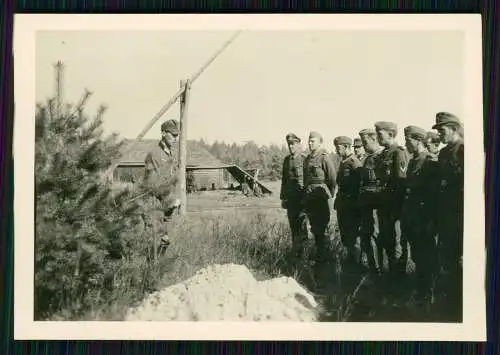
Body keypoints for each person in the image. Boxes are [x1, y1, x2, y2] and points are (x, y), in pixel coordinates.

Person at [401, 125, 440, 303]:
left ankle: (429, 293)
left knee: (427, 256)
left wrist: (431, 220)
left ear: (417, 140)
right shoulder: (412, 161)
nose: (405, 143)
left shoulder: (429, 161)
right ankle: (421, 289)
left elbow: (434, 195)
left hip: (424, 218)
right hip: (412, 217)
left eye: (408, 140)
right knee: (417, 255)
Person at [432, 111, 464, 320]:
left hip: (460, 214)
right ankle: (449, 302)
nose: (440, 134)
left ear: (453, 129)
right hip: (444, 215)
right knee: (447, 258)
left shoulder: (465, 150)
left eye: (442, 130)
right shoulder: (443, 153)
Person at [141, 119, 181, 257]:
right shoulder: (155, 154)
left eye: (177, 136)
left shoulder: (169, 154)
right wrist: (171, 200)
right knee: (154, 243)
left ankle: (156, 271)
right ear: (163, 133)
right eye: (173, 135)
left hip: (167, 207)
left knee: (164, 243)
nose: (176, 138)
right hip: (154, 205)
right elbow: (154, 184)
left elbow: (171, 180)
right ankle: (149, 274)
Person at [374, 121, 409, 278]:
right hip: (383, 205)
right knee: (386, 240)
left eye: (380, 134)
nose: (377, 137)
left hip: (394, 207)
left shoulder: (398, 152)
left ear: (390, 134)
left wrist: (398, 209)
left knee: (396, 243)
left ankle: (398, 278)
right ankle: (390, 276)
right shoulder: (383, 154)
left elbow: (401, 182)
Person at [303, 131, 337, 263]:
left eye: (313, 141)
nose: (310, 143)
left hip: (321, 197)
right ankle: (319, 256)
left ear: (320, 142)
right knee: (314, 228)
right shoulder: (307, 159)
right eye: (309, 141)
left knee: (323, 228)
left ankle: (326, 257)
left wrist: (329, 195)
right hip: (310, 198)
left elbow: (332, 179)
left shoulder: (324, 157)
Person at [333, 136, 363, 271]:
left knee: (353, 237)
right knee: (346, 236)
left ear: (346, 147)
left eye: (338, 148)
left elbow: (360, 183)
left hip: (351, 206)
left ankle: (356, 265)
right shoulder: (343, 162)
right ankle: (350, 263)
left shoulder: (354, 162)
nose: (336, 150)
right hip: (343, 205)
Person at [358, 129, 384, 275]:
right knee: (366, 236)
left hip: (375, 205)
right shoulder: (368, 158)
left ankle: (379, 270)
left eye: (365, 142)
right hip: (366, 205)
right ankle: (372, 268)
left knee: (375, 236)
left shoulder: (381, 157)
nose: (364, 145)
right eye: (362, 142)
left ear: (374, 139)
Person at [280, 133, 308, 260]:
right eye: (289, 144)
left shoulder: (304, 159)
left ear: (298, 144)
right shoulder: (286, 160)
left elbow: (308, 179)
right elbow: (284, 180)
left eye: (293, 144)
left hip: (302, 200)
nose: (291, 146)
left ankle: (304, 254)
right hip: (291, 200)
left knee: (302, 228)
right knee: (293, 227)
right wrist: (283, 197)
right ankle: (296, 254)